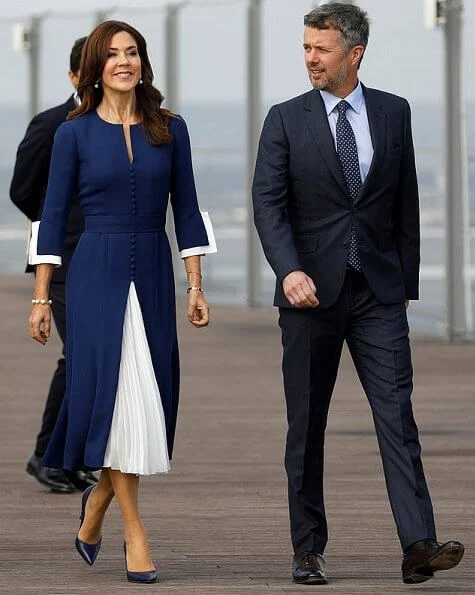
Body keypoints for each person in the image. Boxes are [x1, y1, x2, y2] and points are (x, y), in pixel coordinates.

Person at [252, 3, 464, 586]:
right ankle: (308, 550)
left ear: (354, 53)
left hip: (378, 294)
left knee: (398, 416)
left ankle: (418, 543)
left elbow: (406, 205)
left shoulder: (394, 114)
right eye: (306, 48)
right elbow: (267, 206)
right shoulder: (285, 119)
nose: (310, 59)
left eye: (321, 49)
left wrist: (405, 285)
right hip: (308, 295)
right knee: (307, 424)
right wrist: (288, 270)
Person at [28, 20, 216, 583]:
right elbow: (53, 217)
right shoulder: (73, 133)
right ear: (94, 66)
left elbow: (186, 209)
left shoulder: (170, 129)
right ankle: (136, 535)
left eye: (132, 53)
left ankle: (96, 506)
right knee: (116, 396)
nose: (124, 62)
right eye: (112, 55)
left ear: (143, 63)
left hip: (154, 269)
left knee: (148, 396)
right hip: (94, 272)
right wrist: (40, 298)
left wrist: (196, 284)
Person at [10, 36, 98, 494]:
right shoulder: (50, 125)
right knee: (80, 354)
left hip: (105, 260)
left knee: (91, 358)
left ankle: (68, 457)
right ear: (72, 77)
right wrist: (55, 227)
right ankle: (47, 453)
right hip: (61, 262)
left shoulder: (118, 124)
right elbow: (21, 190)